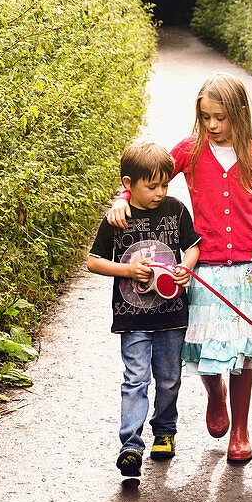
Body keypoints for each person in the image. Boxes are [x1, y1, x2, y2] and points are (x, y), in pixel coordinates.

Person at [108, 72, 252, 464]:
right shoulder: (190, 150)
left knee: (245, 352)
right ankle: (215, 395)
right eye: (205, 117)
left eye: (220, 118)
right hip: (204, 269)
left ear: (240, 113)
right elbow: (151, 172)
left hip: (247, 268)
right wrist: (123, 198)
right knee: (206, 345)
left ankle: (240, 429)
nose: (212, 125)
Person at [88, 139, 200, 477]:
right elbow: (93, 262)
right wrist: (126, 270)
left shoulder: (175, 209)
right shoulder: (117, 219)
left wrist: (187, 268)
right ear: (128, 185)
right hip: (131, 317)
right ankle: (131, 446)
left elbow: (193, 246)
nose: (159, 192)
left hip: (171, 316)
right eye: (151, 186)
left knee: (168, 379)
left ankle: (164, 432)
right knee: (135, 379)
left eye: (165, 184)